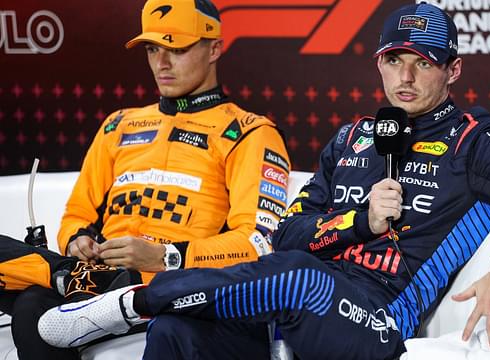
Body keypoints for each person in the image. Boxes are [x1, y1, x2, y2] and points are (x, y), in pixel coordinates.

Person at [37, 2, 490, 359]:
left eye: (424, 63)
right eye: (393, 60)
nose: (405, 77)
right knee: (177, 336)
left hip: (376, 320)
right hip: (291, 300)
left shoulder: (472, 138)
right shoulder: (354, 136)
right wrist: (362, 220)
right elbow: (287, 234)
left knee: (299, 276)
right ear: (378, 63)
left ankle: (133, 302)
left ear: (452, 69)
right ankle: (152, 313)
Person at [0, 0, 289, 358]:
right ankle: (68, 276)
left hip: (178, 286)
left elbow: (258, 244)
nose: (161, 63)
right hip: (98, 278)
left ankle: (84, 286)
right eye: (153, 49)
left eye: (177, 49)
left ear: (214, 48)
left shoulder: (250, 133)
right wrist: (78, 241)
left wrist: (165, 256)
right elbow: (78, 214)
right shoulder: (118, 124)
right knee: (31, 307)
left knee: (40, 307)